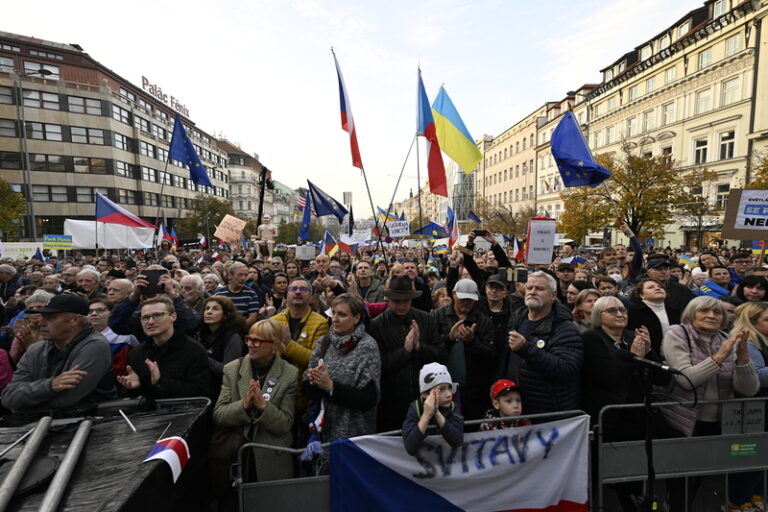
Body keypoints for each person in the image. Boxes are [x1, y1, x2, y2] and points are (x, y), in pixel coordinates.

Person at [662, 296, 760, 511]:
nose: (711, 316)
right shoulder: (676, 333)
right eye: (704, 311)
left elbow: (749, 389)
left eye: (717, 313)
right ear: (691, 313)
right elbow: (686, 380)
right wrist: (722, 354)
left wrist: (743, 358)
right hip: (684, 421)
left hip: (718, 422)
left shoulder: (726, 337)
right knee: (683, 480)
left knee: (703, 475)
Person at [212, 319, 297, 487]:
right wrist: (244, 405)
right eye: (249, 339)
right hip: (237, 455)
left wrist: (263, 406)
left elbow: (285, 424)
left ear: (274, 345)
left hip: (272, 458)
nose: (250, 344)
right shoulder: (232, 369)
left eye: (257, 341)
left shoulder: (289, 373)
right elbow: (219, 415)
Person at [2, 294, 115, 412]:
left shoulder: (95, 346)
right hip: (39, 423)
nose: (41, 323)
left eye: (50, 318)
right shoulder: (36, 349)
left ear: (74, 320)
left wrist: (25, 403)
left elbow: (67, 401)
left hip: (90, 423)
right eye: (43, 317)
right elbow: (8, 397)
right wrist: (50, 385)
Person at [498, 271, 582, 415]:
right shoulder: (517, 319)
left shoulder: (565, 328)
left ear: (553, 295)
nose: (533, 292)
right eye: (529, 288)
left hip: (547, 411)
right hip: (516, 407)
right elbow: (505, 360)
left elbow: (566, 370)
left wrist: (526, 348)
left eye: (540, 289)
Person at [368, 275, 445, 432]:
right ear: (389, 300)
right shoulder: (376, 325)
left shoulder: (427, 320)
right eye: (397, 301)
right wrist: (405, 352)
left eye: (406, 301)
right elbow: (377, 365)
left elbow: (441, 356)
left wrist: (419, 347)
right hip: (391, 404)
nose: (402, 306)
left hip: (424, 400)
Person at [304, 294, 381, 449]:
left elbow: (368, 400)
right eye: (334, 313)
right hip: (322, 431)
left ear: (356, 318)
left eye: (342, 314)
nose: (335, 319)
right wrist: (312, 381)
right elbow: (306, 385)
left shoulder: (367, 347)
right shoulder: (324, 342)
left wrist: (330, 386)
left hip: (353, 434)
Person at [117, 296, 211, 399]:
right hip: (146, 414)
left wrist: (161, 382)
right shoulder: (137, 353)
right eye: (145, 317)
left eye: (157, 315)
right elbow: (130, 397)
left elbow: (202, 393)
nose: (150, 322)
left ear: (173, 317)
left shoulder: (194, 350)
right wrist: (133, 387)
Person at [431, 279, 496, 420]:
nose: (466, 303)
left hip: (473, 389)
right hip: (441, 387)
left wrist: (472, 342)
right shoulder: (437, 316)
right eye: (462, 299)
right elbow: (430, 352)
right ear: (453, 295)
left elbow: (490, 355)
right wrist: (449, 339)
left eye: (470, 300)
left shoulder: (483, 321)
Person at [402, 362, 463, 456]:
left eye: (450, 387)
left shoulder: (453, 407)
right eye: (441, 389)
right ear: (426, 394)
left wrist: (437, 413)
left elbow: (457, 441)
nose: (449, 394)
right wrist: (426, 416)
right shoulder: (415, 408)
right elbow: (410, 448)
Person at [199, 296, 245, 393]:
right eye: (207, 308)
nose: (209, 312)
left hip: (226, 389)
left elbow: (227, 370)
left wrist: (202, 356)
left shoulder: (233, 336)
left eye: (215, 309)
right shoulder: (201, 333)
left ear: (226, 314)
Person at [626, 278, 681, 355]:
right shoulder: (634, 314)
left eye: (660, 287)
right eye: (651, 287)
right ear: (642, 295)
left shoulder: (675, 312)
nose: (657, 288)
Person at [86, 299, 138, 378]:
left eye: (100, 310)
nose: (94, 314)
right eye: (90, 311)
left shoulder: (125, 337)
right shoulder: (81, 337)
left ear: (111, 313)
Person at [215, 262, 260, 329]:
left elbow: (253, 317)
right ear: (230, 275)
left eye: (246, 275)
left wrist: (239, 329)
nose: (243, 278)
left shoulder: (251, 294)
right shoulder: (219, 293)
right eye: (240, 275)